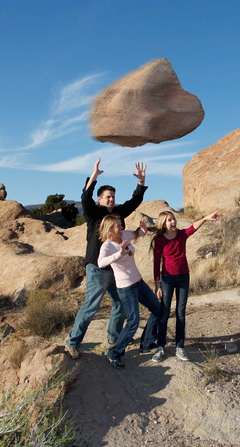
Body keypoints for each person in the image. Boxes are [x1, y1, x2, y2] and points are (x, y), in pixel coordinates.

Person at [65, 158, 148, 360]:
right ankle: (73, 342)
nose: (111, 200)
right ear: (100, 199)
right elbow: (85, 199)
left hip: (116, 268)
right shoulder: (94, 214)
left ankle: (113, 337)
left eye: (113, 197)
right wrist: (93, 178)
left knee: (120, 303)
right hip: (97, 269)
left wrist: (141, 182)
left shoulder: (118, 214)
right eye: (107, 197)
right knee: (91, 306)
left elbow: (134, 201)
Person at [148, 209, 220, 362]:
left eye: (173, 219)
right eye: (169, 220)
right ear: (163, 224)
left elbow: (193, 227)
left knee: (181, 312)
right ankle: (161, 346)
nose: (173, 222)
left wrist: (206, 217)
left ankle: (180, 347)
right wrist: (157, 285)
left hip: (183, 277)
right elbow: (156, 264)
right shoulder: (159, 240)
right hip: (167, 279)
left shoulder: (181, 235)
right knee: (165, 312)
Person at [97, 214, 163, 369]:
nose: (121, 228)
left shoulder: (124, 234)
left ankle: (146, 343)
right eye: (118, 226)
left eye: (121, 225)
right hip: (126, 288)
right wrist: (118, 254)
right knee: (133, 322)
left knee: (158, 310)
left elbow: (138, 234)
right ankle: (114, 354)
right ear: (110, 230)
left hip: (138, 282)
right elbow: (101, 263)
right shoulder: (107, 246)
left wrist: (143, 229)